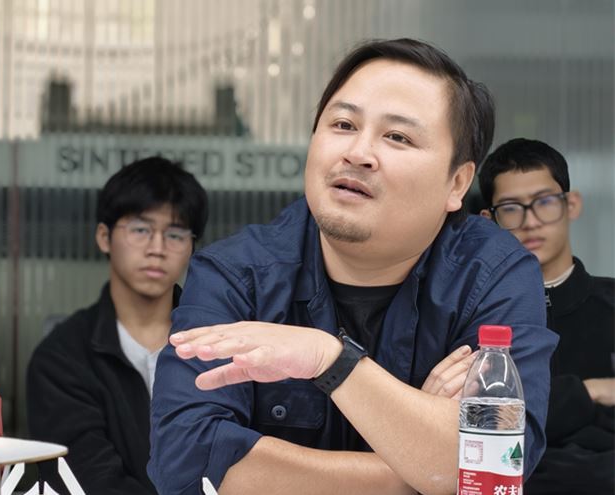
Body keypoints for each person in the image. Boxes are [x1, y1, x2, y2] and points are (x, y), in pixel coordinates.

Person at [149, 39, 558, 495]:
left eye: (397, 137)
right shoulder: (236, 274)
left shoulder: (492, 274)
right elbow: (185, 463)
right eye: (343, 124)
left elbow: (499, 463)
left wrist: (331, 361)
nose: (358, 152)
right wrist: (421, 464)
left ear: (457, 183)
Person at [27, 157, 208, 494]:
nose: (157, 248)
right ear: (104, 237)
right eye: (140, 230)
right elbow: (86, 478)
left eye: (175, 234)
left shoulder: (219, 346)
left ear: (192, 247)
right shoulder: (61, 358)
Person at [478, 137, 614, 495]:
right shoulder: (477, 319)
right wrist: (590, 391)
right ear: (489, 220)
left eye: (545, 202)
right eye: (511, 208)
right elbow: (483, 430)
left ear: (572, 204)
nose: (531, 222)